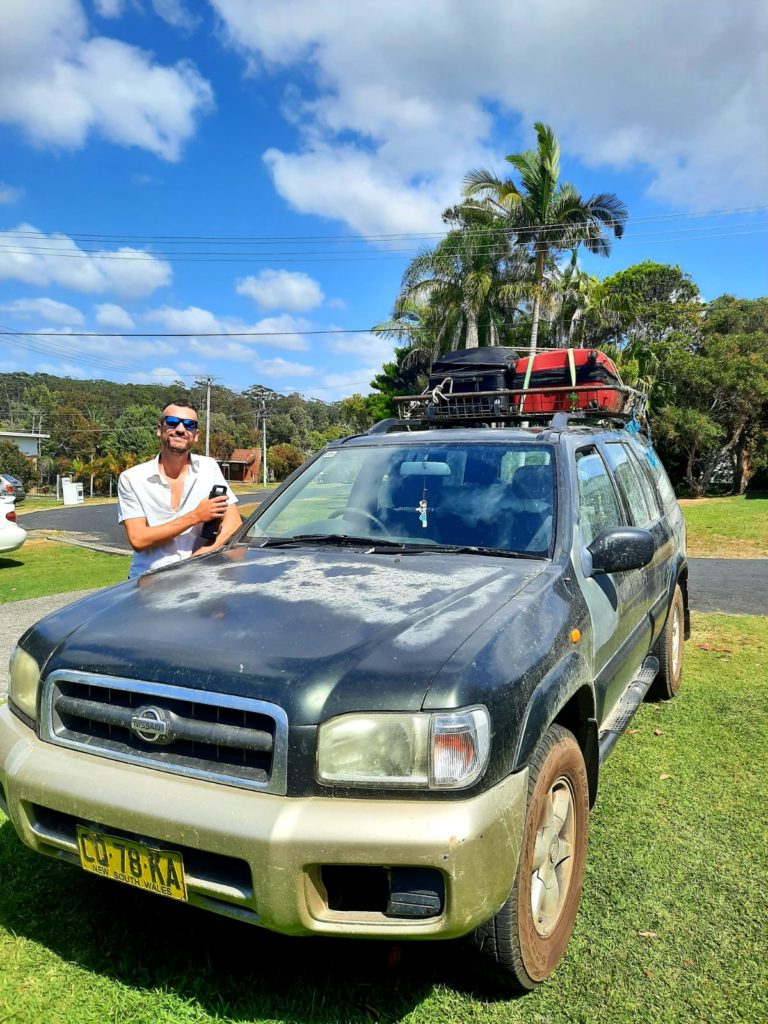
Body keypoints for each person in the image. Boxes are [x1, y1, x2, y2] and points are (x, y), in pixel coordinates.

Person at [117, 400, 241, 578]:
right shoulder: (132, 478)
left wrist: (198, 558)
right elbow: (138, 539)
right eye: (173, 422)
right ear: (159, 429)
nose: (181, 429)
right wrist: (195, 516)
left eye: (189, 425)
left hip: (197, 576)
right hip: (148, 580)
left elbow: (233, 523)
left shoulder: (209, 467)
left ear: (196, 435)